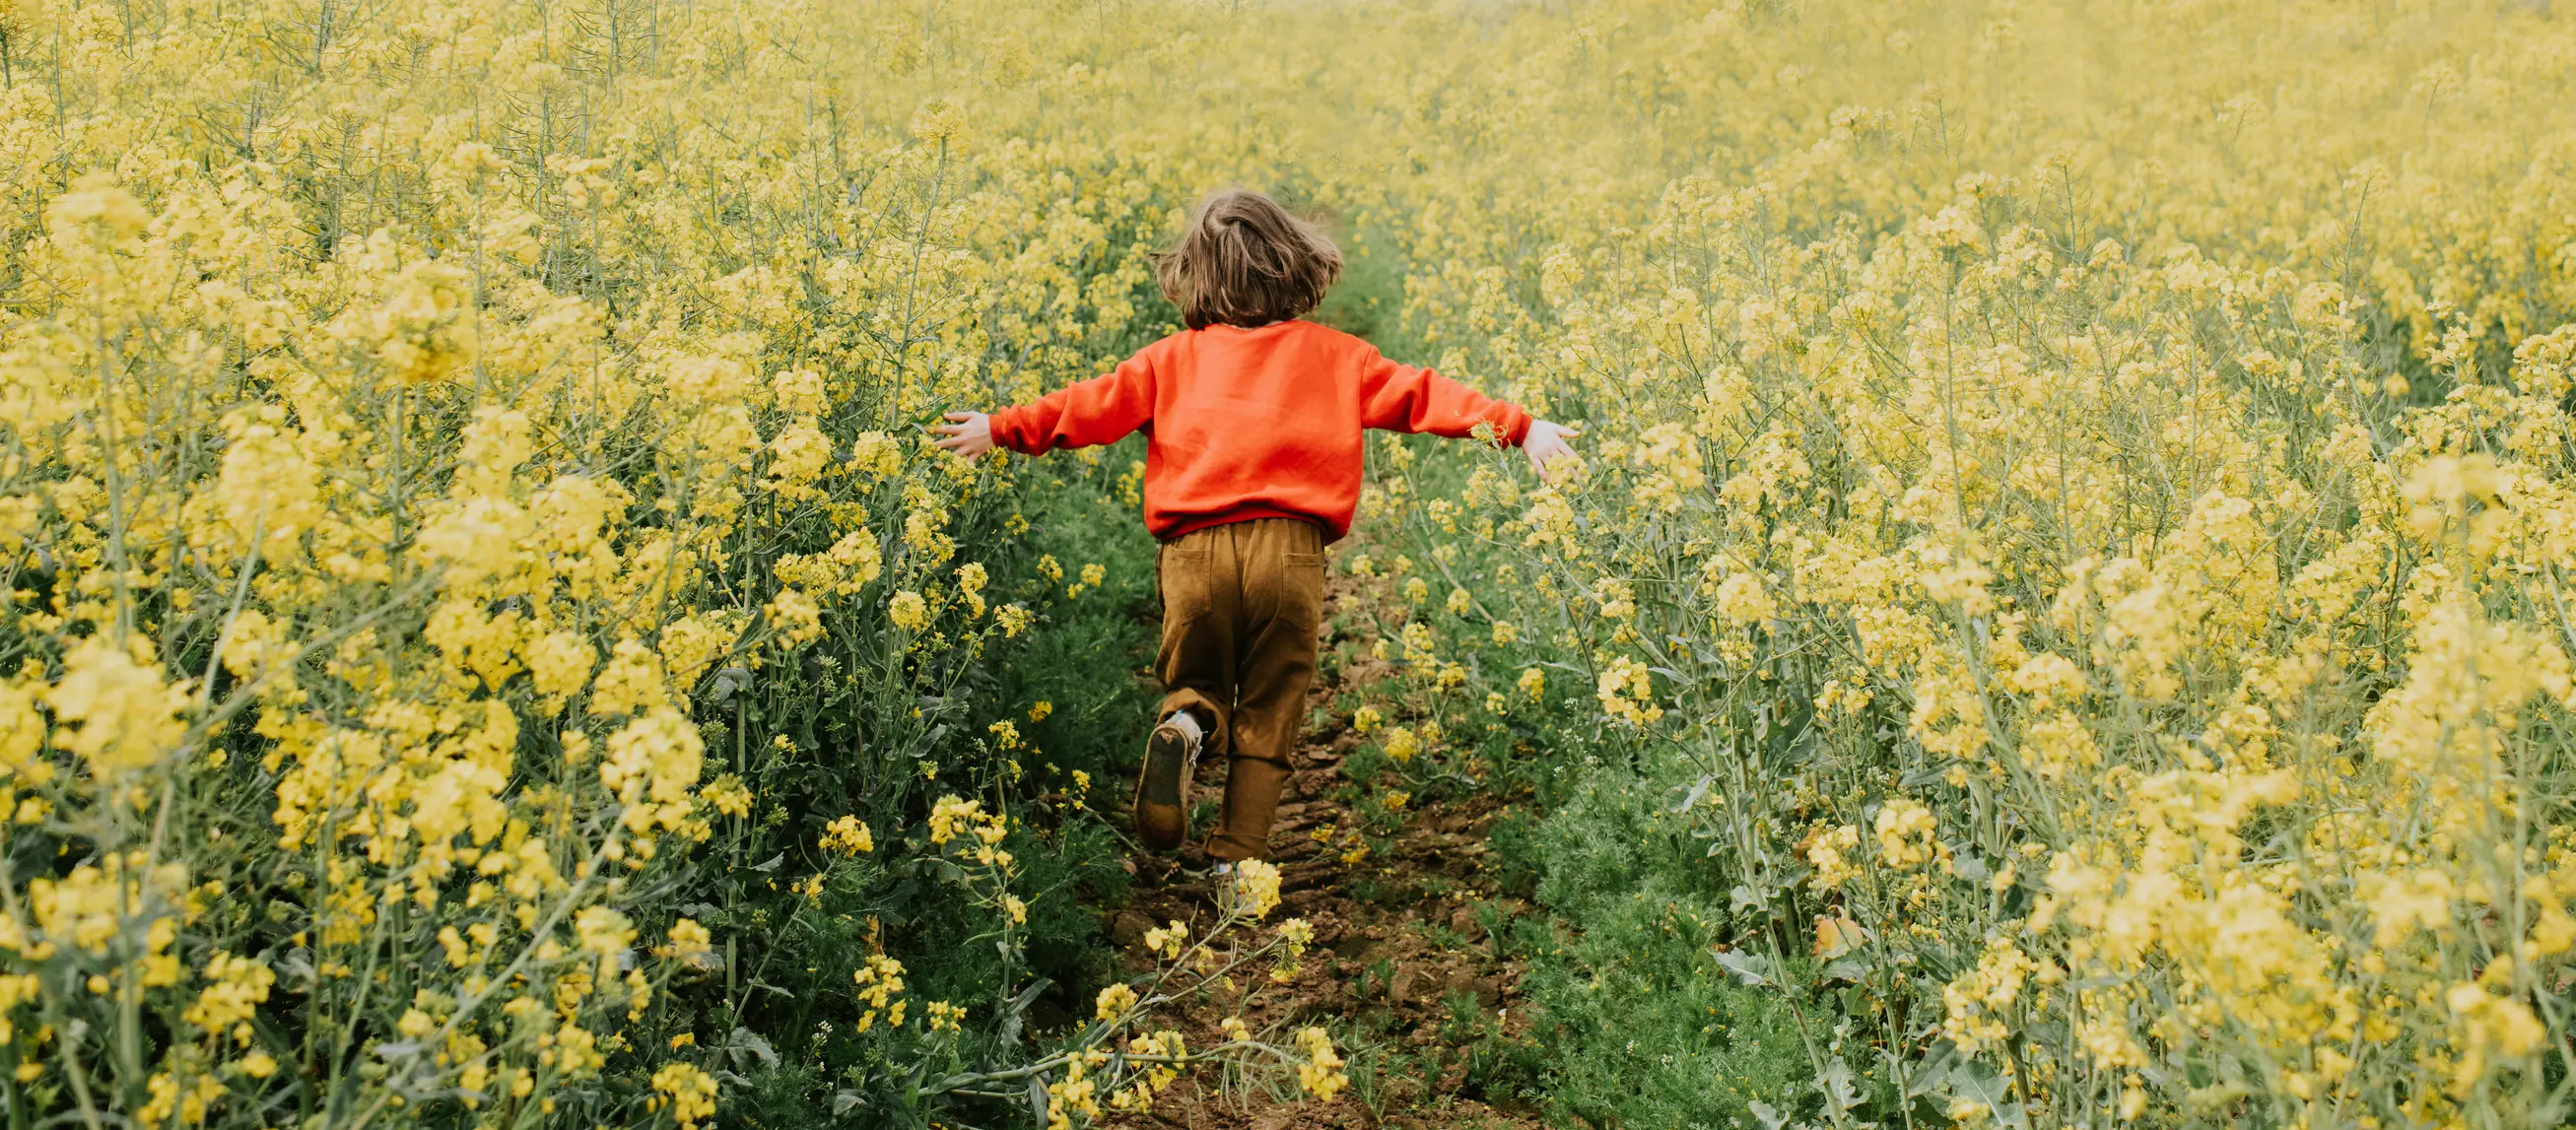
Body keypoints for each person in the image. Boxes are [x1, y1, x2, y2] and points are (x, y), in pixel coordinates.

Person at [933, 188, 1577, 871]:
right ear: (1293, 264)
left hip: (1195, 554)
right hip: (1290, 556)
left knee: (1198, 677)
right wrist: (1521, 427)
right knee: (1269, 707)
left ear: (1194, 274)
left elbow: (1088, 407)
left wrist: (999, 427)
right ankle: (1238, 865)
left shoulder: (1167, 360)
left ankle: (1186, 722)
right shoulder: (1340, 356)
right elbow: (1427, 396)